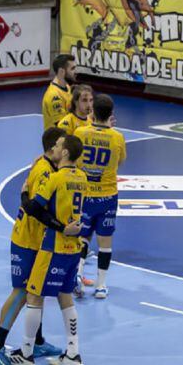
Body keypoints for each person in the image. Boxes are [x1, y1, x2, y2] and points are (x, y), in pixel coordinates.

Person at [0, 128, 66, 365]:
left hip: (35, 239)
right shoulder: (44, 169)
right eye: (62, 145)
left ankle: (37, 342)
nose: (65, 150)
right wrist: (61, 227)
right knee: (22, 292)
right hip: (27, 240)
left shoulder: (45, 164)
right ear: (52, 149)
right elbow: (33, 208)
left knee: (35, 290)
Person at [15, 134, 86, 365]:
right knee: (65, 297)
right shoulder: (82, 177)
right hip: (74, 248)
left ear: (65, 153)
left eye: (58, 146)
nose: (54, 148)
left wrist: (24, 193)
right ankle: (73, 353)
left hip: (53, 246)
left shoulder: (56, 178)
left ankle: (26, 353)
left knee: (34, 296)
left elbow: (34, 208)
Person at [74, 95, 126, 300]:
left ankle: (77, 277)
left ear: (92, 112)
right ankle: (101, 285)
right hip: (107, 196)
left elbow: (74, 159)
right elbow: (120, 161)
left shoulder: (80, 132)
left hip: (84, 194)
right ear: (111, 113)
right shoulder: (117, 137)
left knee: (82, 238)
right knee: (105, 243)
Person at [43, 54, 76, 129]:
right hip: (57, 139)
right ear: (61, 71)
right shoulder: (54, 96)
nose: (76, 72)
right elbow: (62, 127)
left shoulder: (67, 87)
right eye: (72, 69)